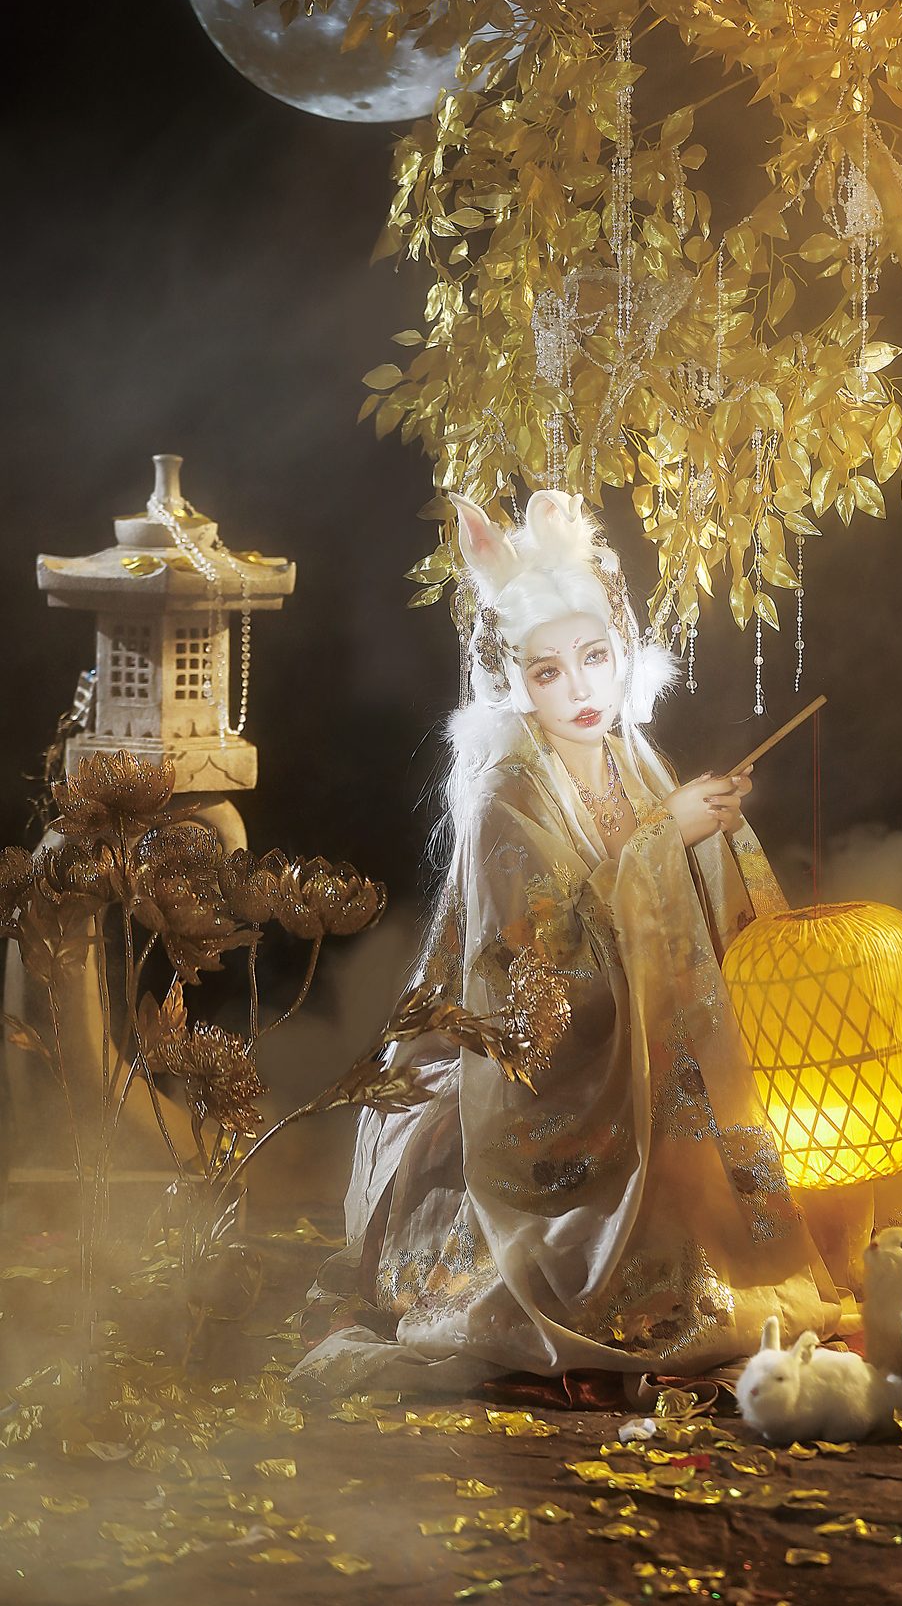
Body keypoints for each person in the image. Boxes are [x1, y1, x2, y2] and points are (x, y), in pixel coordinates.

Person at [292, 489, 843, 1393]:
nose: (581, 690)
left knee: (709, 1194)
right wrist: (667, 837)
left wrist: (704, 833)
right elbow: (539, 965)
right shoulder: (503, 792)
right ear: (514, 679)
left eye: (594, 658)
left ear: (623, 651)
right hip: (539, 1063)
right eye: (548, 672)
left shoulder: (633, 758)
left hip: (642, 1046)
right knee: (609, 1229)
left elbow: (671, 914)